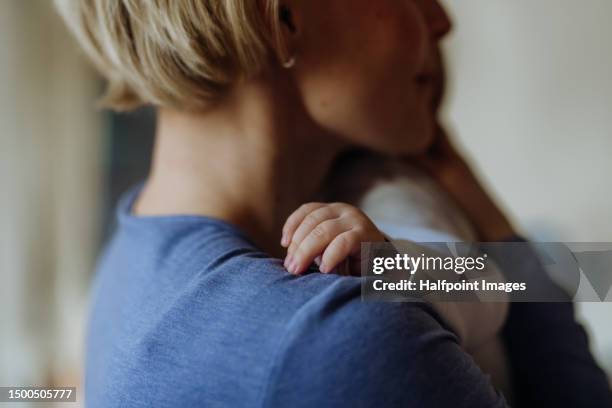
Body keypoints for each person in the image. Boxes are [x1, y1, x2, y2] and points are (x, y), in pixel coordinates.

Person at [55, 0, 612, 407]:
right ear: (285, 17)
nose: (443, 20)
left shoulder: (132, 251)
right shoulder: (341, 340)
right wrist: (494, 232)